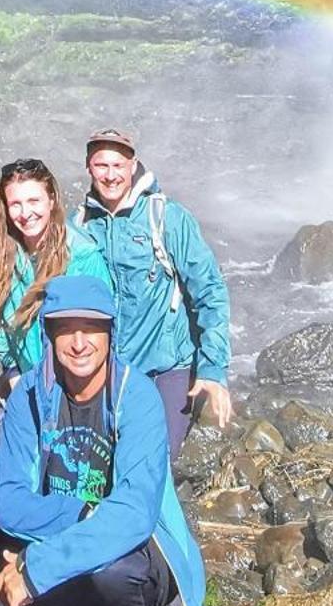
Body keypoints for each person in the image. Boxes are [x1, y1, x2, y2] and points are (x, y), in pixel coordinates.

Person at [0, 273, 207, 606]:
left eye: (92, 327)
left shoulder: (137, 396)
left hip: (139, 553)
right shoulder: (30, 394)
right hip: (68, 545)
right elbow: (7, 500)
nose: (80, 342)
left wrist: (35, 568)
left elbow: (132, 516)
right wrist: (84, 512)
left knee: (114, 570)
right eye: (67, 328)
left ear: (110, 333)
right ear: (49, 333)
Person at [74, 128, 232, 458]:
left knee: (155, 468)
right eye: (101, 165)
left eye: (118, 165)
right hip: (109, 370)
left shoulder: (166, 218)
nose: (110, 175)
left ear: (133, 166)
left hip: (167, 369)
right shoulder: (81, 225)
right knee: (106, 468)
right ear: (89, 168)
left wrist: (212, 371)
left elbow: (210, 292)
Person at [0, 158, 111, 397]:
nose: (25, 213)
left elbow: (105, 328)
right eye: (15, 204)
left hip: (77, 384)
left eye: (34, 201)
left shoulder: (83, 256)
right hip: (27, 377)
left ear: (51, 200)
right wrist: (11, 370)